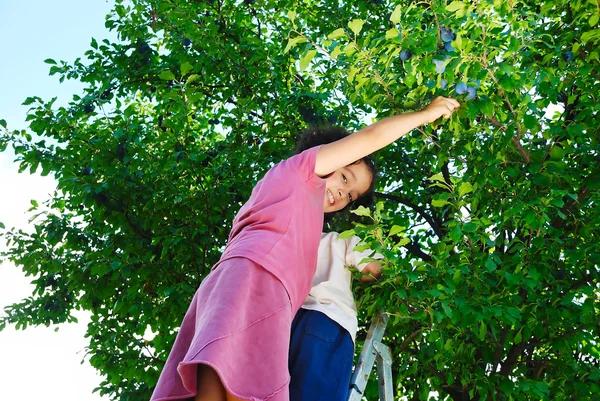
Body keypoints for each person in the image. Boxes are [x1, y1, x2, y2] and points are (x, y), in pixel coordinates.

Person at [150, 96, 460, 401]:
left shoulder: (312, 226)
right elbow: (373, 136)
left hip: (274, 298)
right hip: (254, 274)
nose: (342, 193)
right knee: (220, 372)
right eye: (344, 176)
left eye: (350, 196)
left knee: (240, 384)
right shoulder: (298, 171)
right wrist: (425, 114)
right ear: (330, 154)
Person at [289, 231, 383, 401]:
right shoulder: (340, 238)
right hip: (327, 322)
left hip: (290, 322)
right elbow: (373, 269)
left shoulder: (295, 239)